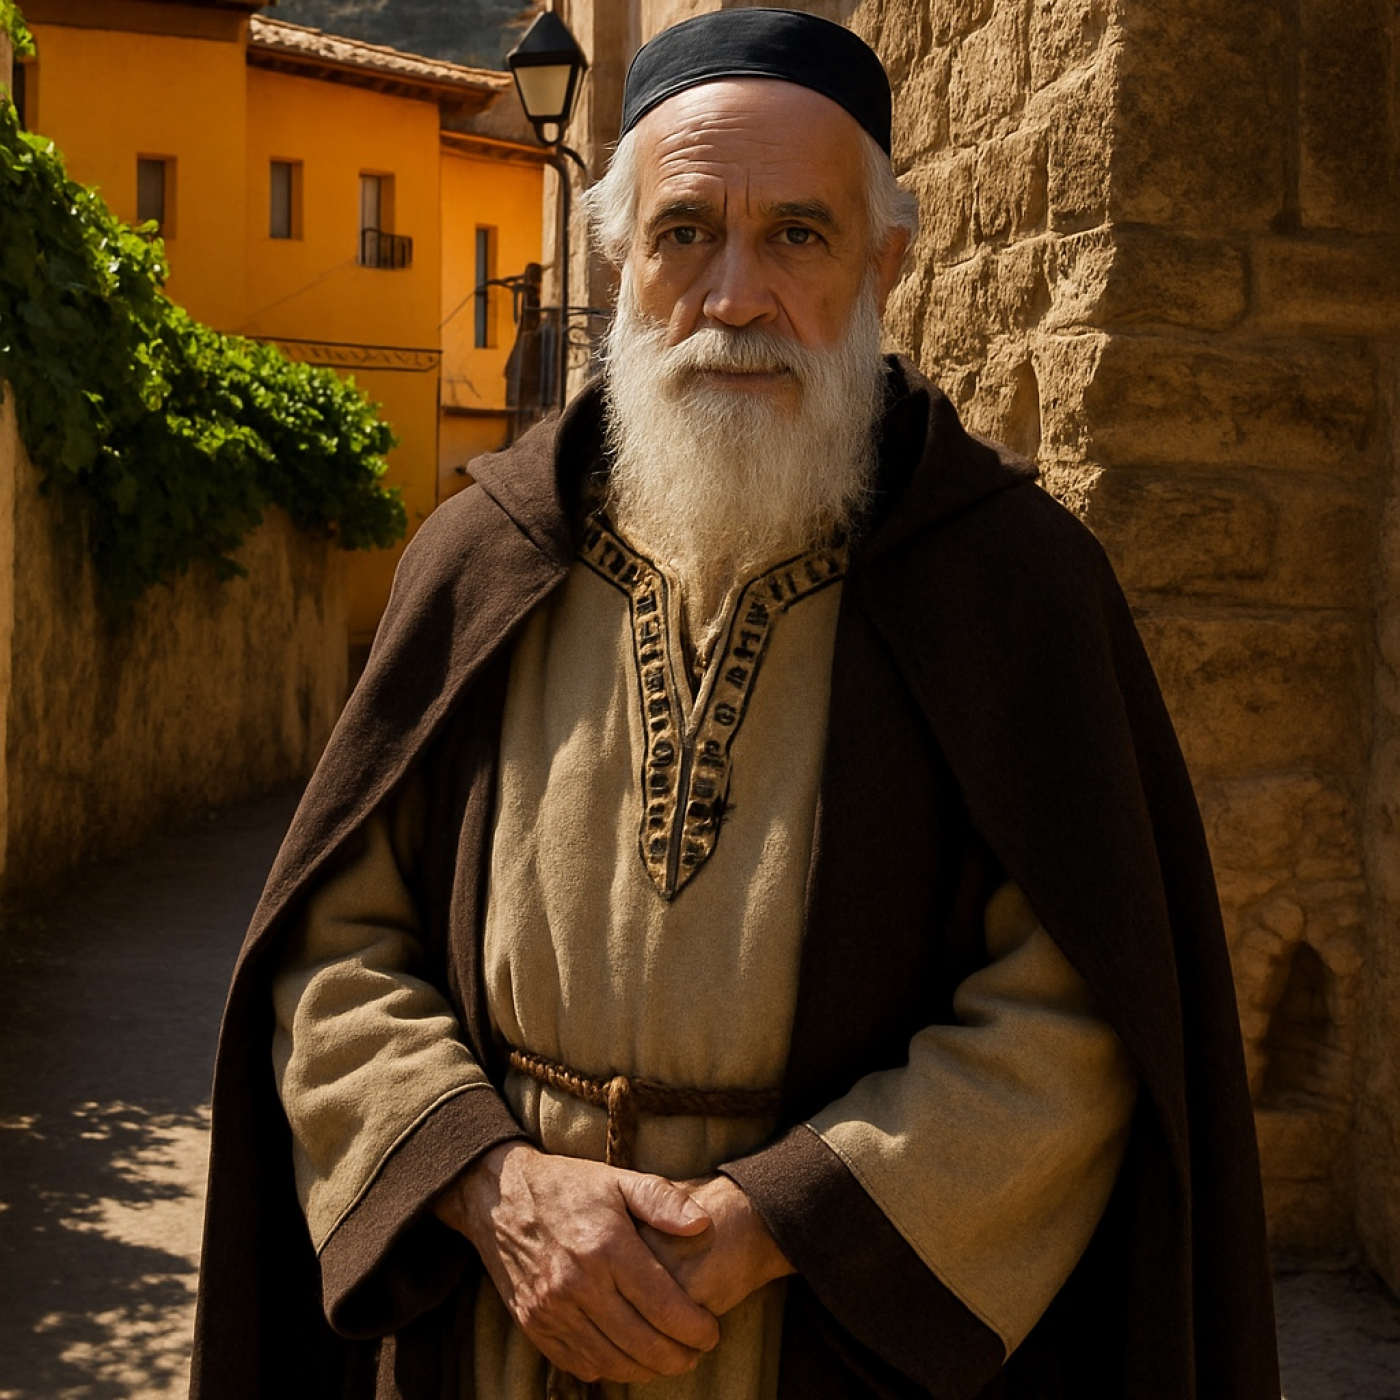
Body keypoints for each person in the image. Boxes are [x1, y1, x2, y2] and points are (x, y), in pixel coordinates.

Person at [191, 11, 1279, 1400]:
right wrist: (493, 1186)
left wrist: (771, 1222)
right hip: (503, 1329)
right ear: (619, 259)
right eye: (687, 232)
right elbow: (333, 957)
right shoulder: (478, 558)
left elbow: (1077, 1016)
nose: (736, 294)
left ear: (885, 264)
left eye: (799, 238)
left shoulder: (1015, 584)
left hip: (840, 1347)